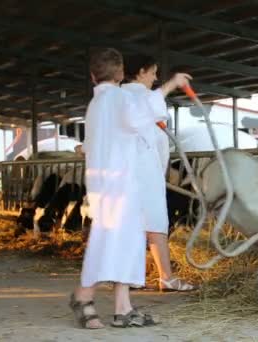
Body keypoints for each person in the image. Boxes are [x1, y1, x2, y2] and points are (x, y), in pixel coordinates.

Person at [68, 47, 189, 329]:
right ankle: (83, 295)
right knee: (109, 243)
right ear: (122, 73)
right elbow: (140, 115)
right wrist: (171, 84)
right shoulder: (118, 99)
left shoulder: (97, 104)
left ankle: (123, 308)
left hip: (107, 184)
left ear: (92, 76)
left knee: (127, 244)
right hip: (119, 184)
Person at [122, 54, 197, 292]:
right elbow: (147, 107)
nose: (155, 78)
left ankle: (132, 277)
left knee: (136, 223)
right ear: (142, 71)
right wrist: (172, 84)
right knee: (155, 223)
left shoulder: (128, 96)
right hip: (143, 171)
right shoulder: (134, 96)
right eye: (153, 72)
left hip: (139, 171)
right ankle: (165, 277)